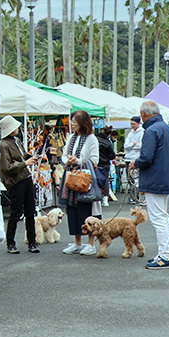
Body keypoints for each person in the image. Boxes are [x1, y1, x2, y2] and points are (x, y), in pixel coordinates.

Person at [128, 100, 169, 269]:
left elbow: (147, 157)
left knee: (158, 219)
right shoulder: (166, 128)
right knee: (162, 217)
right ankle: (166, 252)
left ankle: (165, 255)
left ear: (143, 114)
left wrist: (136, 162)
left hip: (154, 179)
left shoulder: (151, 130)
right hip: (166, 177)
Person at [59, 110, 100, 256]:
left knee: (87, 209)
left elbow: (95, 160)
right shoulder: (71, 137)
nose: (72, 124)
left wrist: (77, 161)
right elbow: (63, 156)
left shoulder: (91, 139)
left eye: (74, 122)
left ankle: (91, 243)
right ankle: (77, 243)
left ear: (82, 123)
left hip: (85, 179)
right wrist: (68, 160)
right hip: (71, 178)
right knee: (73, 210)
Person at [0, 115, 40, 254]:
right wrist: (25, 163)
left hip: (25, 178)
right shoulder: (4, 145)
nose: (18, 129)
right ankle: (10, 243)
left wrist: (30, 157)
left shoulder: (16, 140)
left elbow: (22, 155)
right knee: (15, 213)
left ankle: (32, 242)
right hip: (16, 181)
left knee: (30, 211)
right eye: (15, 127)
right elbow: (6, 167)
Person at [124, 116, 144, 204]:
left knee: (138, 178)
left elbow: (140, 146)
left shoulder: (142, 132)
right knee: (130, 179)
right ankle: (132, 197)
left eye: (134, 124)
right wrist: (132, 144)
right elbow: (126, 146)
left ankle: (139, 197)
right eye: (131, 123)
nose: (132, 125)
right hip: (128, 158)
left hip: (136, 158)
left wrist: (131, 146)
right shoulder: (130, 133)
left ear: (139, 123)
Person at [97, 126, 116, 203]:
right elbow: (112, 155)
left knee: (95, 180)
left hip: (95, 163)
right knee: (105, 180)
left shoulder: (94, 139)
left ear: (102, 131)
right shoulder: (108, 143)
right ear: (108, 134)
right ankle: (105, 198)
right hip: (105, 164)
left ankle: (97, 197)